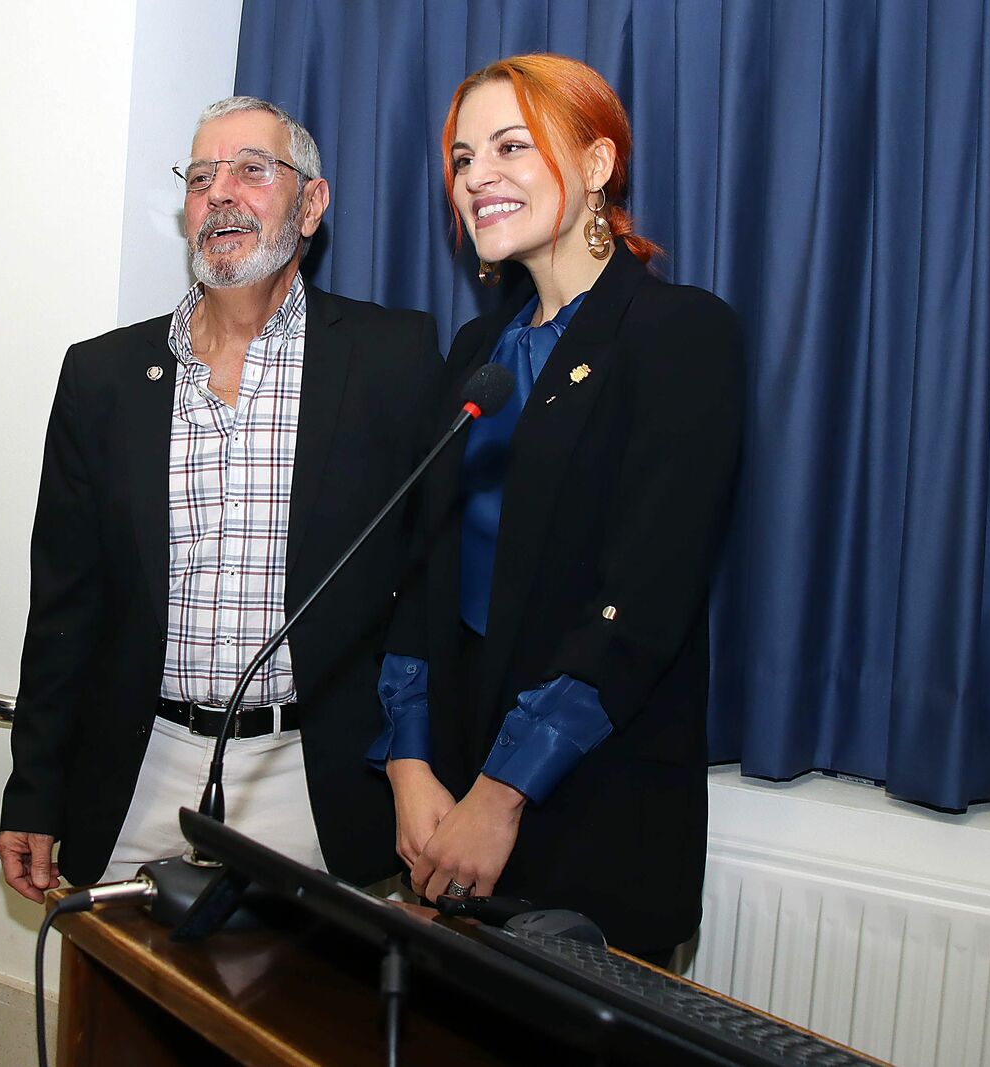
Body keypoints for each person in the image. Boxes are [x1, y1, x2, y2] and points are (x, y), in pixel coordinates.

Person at [0, 97, 440, 901]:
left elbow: (428, 575)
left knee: (305, 1025)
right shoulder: (103, 376)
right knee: (128, 1019)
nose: (221, 193)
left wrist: (421, 760)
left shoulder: (393, 357)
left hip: (315, 776)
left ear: (311, 203)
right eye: (201, 177)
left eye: (250, 170)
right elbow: (65, 601)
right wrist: (34, 786)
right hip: (142, 765)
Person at [375, 54, 743, 964]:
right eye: (462, 158)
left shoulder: (679, 333)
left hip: (589, 806)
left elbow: (642, 604)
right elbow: (418, 571)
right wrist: (408, 765)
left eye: (511, 146)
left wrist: (500, 796)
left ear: (596, 166)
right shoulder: (474, 348)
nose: (477, 177)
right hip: (447, 797)